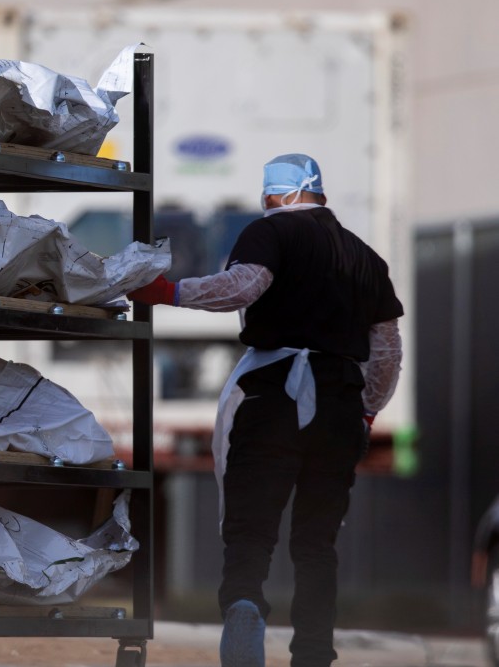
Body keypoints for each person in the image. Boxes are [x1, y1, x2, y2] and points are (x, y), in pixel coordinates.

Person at [128, 154, 403, 667]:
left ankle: (245, 605)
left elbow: (243, 287)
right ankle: (315, 653)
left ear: (275, 194)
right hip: (340, 404)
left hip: (273, 396)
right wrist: (365, 415)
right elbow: (387, 352)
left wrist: (168, 292)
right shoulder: (367, 258)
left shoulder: (270, 231)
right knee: (317, 544)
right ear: (318, 192)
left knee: (250, 530)